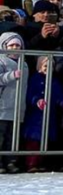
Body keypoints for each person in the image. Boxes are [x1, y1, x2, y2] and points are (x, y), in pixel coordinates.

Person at [23, 56, 63, 171]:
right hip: (35, 114)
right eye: (45, 66)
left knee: (45, 139)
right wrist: (36, 100)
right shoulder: (34, 79)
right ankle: (31, 163)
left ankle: (40, 163)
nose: (48, 68)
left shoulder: (54, 81)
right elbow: (29, 93)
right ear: (39, 67)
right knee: (33, 140)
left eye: (51, 66)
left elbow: (58, 95)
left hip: (49, 113)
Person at [0, 32, 27, 170]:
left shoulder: (24, 64)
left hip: (18, 107)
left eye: (18, 45)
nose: (15, 48)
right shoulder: (1, 60)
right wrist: (11, 75)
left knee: (13, 136)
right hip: (3, 106)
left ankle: (10, 161)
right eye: (12, 45)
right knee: (1, 135)